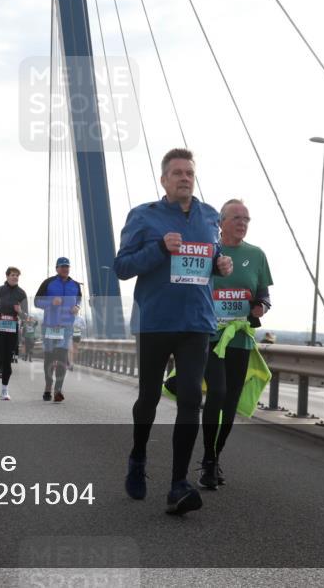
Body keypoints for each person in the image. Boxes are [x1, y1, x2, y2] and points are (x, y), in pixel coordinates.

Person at [113, 148, 232, 516]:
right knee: (148, 398)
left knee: (191, 398)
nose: (184, 178)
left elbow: (209, 257)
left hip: (196, 322)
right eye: (177, 173)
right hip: (155, 321)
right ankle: (138, 457)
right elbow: (122, 267)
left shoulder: (209, 216)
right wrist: (159, 248)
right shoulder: (143, 216)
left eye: (189, 173)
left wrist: (220, 264)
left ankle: (178, 484)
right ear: (164, 180)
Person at [201, 199, 273, 490]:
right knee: (216, 392)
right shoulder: (209, 251)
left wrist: (261, 307)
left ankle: (215, 456)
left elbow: (264, 294)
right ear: (221, 223)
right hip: (210, 337)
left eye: (246, 219)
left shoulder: (256, 255)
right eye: (236, 218)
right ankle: (208, 459)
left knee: (230, 402)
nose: (243, 223)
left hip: (240, 338)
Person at [34, 257, 83, 403]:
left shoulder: (75, 285)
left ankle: (58, 390)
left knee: (62, 358)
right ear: (56, 268)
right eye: (62, 266)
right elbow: (37, 301)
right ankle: (48, 386)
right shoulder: (48, 283)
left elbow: (79, 299)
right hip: (50, 326)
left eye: (67, 266)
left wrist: (77, 307)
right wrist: (51, 302)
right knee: (49, 358)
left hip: (66, 327)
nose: (65, 269)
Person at [0, 267, 29, 400]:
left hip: (13, 329)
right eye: (13, 275)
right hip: (0, 327)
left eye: (17, 276)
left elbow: (26, 316)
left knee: (7, 360)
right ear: (7, 276)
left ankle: (4, 390)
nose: (15, 277)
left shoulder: (22, 293)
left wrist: (20, 311)